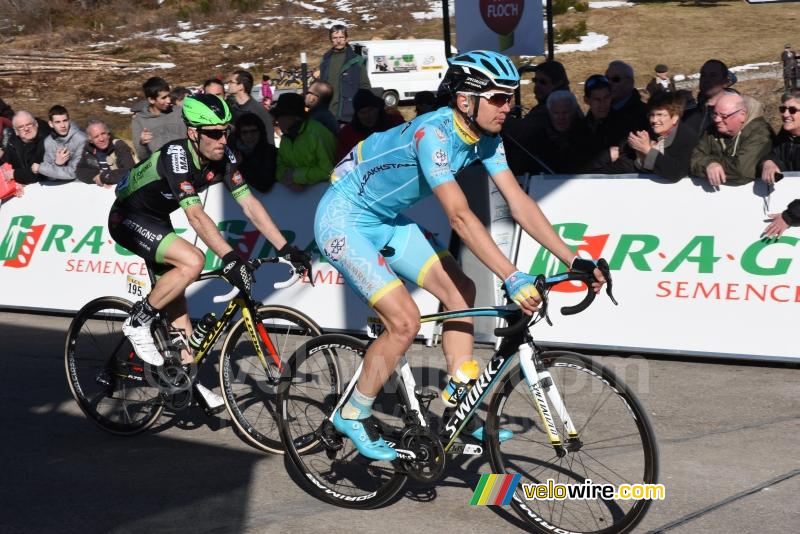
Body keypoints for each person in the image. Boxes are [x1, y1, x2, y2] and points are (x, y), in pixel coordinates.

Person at [314, 50, 605, 461]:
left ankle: (459, 407)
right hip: (342, 218)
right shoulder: (432, 134)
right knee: (405, 321)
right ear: (466, 101)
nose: (510, 106)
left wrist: (574, 260)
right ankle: (353, 412)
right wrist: (511, 275)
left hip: (383, 219)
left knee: (461, 289)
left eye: (511, 97)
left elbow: (519, 203)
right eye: (499, 98)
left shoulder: (486, 139)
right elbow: (460, 216)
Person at [108, 94, 312, 410]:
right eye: (213, 133)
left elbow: (249, 204)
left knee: (182, 319)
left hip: (157, 218)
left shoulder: (225, 156)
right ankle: (138, 320)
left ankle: (184, 379)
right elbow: (196, 216)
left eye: (225, 130)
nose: (222, 139)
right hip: (128, 217)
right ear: (194, 133)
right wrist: (230, 258)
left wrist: (287, 248)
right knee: (194, 260)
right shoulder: (177, 155)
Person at [689, 92, 773, 186]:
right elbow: (693, 158)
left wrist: (714, 163)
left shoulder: (760, 132)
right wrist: (709, 164)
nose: (717, 120)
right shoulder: (712, 130)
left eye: (724, 116)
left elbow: (742, 171)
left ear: (742, 115)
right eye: (715, 114)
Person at [626, 92, 697, 181]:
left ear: (675, 118)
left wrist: (648, 150)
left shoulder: (687, 137)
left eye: (660, 115)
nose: (654, 120)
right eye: (652, 114)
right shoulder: (648, 133)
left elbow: (676, 173)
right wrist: (640, 156)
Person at [272, 92, 335, 192]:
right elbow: (280, 166)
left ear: (296, 117)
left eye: (281, 116)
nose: (277, 121)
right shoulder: (286, 137)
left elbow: (329, 171)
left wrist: (296, 176)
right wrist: (288, 181)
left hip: (325, 197)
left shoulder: (317, 134)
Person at [318, 23, 371, 123]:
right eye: (335, 37)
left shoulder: (356, 60)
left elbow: (365, 87)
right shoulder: (325, 60)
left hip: (349, 116)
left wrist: (359, 109)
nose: (338, 40)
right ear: (331, 40)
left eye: (341, 37)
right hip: (328, 115)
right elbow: (321, 87)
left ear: (346, 39)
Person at [334, 88, 404, 162]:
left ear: (377, 109)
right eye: (362, 112)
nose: (367, 116)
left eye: (370, 110)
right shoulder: (347, 134)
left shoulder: (395, 124)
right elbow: (342, 163)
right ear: (356, 114)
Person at [131, 76, 186, 161]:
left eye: (169, 96)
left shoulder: (179, 112)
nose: (168, 100)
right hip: (159, 169)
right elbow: (142, 157)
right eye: (163, 98)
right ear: (151, 100)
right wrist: (143, 144)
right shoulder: (139, 121)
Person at [75, 119, 136, 186]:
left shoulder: (119, 145)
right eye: (96, 137)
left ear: (108, 134)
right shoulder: (88, 150)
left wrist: (103, 177)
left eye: (103, 133)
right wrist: (96, 176)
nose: (101, 139)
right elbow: (79, 171)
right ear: (91, 140)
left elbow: (130, 172)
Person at [0, 110, 51, 186]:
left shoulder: (48, 140)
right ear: (16, 131)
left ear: (36, 124)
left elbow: (40, 174)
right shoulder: (13, 142)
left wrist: (15, 175)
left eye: (29, 124)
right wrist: (15, 184)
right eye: (21, 127)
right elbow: (4, 166)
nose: (26, 129)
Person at [760, 90, 800, 184]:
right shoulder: (786, 134)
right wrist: (768, 162)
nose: (785, 115)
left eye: (792, 110)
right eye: (782, 109)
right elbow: (773, 154)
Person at [38, 105, 86, 182]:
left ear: (69, 120)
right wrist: (57, 164)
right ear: (51, 124)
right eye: (57, 122)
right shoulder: (48, 142)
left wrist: (42, 168)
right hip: (59, 187)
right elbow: (50, 178)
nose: (63, 125)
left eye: (65, 121)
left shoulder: (81, 139)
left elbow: (74, 173)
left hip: (81, 185)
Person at [226, 70, 275, 146]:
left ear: (241, 86)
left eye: (231, 82)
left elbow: (269, 140)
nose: (228, 84)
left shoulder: (258, 111)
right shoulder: (231, 109)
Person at [232, 112, 277, 193]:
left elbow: (264, 185)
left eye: (254, 131)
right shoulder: (233, 153)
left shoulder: (271, 152)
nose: (249, 136)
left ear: (261, 132)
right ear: (239, 134)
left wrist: (241, 165)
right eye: (244, 132)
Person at [605, 60, 648, 139]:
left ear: (629, 83)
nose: (609, 83)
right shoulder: (598, 109)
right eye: (606, 78)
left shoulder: (645, 114)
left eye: (616, 79)